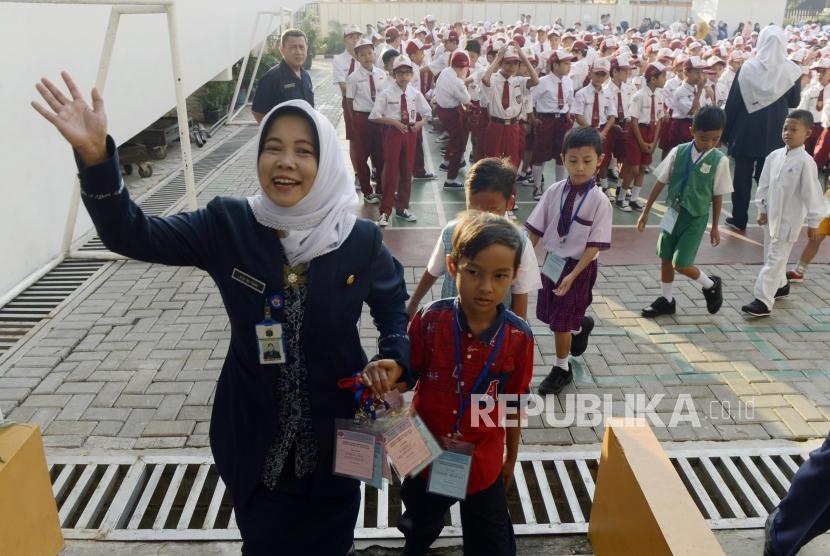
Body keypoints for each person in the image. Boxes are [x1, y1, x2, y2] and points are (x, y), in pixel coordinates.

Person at [33, 74, 410, 554]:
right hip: (253, 436)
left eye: (304, 151)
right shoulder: (228, 224)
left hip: (339, 436)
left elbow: (392, 310)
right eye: (273, 147)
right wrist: (96, 160)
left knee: (331, 545)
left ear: (326, 161)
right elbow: (132, 234)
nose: (286, 162)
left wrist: (395, 358)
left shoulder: (360, 240)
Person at [400, 210, 534, 556]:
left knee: (490, 542)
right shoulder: (431, 320)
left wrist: (511, 457)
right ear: (453, 266)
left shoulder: (519, 338)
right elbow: (406, 375)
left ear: (514, 277)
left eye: (500, 276)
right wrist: (382, 375)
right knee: (419, 523)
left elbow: (514, 404)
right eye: (474, 272)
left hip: (482, 461)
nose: (486, 287)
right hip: (424, 454)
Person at [525, 127, 612, 395]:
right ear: (563, 159)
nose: (580, 168)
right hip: (553, 261)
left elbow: (594, 246)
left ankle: (561, 368)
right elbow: (535, 230)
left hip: (579, 267)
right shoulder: (553, 191)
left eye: (587, 161)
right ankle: (580, 326)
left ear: (600, 160)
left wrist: (573, 276)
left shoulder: (600, 201)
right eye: (573, 161)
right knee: (551, 314)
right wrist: (520, 260)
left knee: (560, 321)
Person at [407, 157, 542, 320]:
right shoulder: (451, 232)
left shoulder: (520, 242)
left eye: (492, 210)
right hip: (451, 324)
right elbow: (433, 270)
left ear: (510, 203)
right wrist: (413, 303)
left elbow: (520, 295)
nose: (482, 218)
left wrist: (518, 335)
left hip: (495, 332)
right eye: (474, 209)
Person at [637, 106, 730, 318]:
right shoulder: (678, 152)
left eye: (715, 139)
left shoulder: (719, 160)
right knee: (665, 257)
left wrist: (715, 226)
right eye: (704, 138)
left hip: (695, 218)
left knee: (681, 264)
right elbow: (660, 181)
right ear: (692, 131)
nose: (709, 144)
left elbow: (718, 195)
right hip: (672, 213)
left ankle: (710, 284)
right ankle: (666, 300)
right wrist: (646, 212)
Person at [741, 110, 825, 317]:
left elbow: (812, 195)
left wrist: (814, 223)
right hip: (771, 219)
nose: (788, 133)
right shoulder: (774, 156)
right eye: (785, 128)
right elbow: (764, 184)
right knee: (773, 257)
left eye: (794, 129)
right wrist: (761, 208)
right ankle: (780, 285)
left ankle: (762, 300)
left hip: (788, 222)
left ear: (807, 133)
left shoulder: (806, 162)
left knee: (774, 260)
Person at [723, 25, 802, 232]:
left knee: (742, 177)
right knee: (772, 176)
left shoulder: (747, 68)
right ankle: (773, 216)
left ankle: (739, 218)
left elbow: (733, 104)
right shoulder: (791, 70)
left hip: (745, 131)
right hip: (776, 132)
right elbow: (795, 100)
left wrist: (725, 134)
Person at [369, 55, 432, 226]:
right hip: (393, 134)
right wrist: (394, 122)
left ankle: (402, 208)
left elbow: (427, 113)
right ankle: (385, 211)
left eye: (407, 73)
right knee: (390, 171)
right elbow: (374, 116)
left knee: (406, 171)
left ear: (411, 74)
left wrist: (419, 124)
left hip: (410, 134)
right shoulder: (387, 93)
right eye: (399, 73)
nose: (403, 76)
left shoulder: (414, 93)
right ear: (393, 74)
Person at [481, 44, 540, 171]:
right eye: (507, 63)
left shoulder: (518, 81)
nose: (511, 67)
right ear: (501, 63)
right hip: (496, 125)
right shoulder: (494, 79)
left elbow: (535, 81)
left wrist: (524, 57)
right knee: (493, 161)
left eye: (515, 63)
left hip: (513, 126)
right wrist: (498, 57)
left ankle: (509, 190)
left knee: (512, 162)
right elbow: (485, 79)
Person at [617, 61, 667, 212]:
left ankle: (634, 199)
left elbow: (659, 120)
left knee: (643, 167)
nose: (666, 79)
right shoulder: (638, 96)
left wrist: (653, 141)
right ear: (653, 79)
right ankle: (621, 198)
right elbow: (634, 120)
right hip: (637, 133)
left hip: (650, 133)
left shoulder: (659, 96)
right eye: (663, 76)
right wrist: (641, 141)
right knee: (633, 168)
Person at [530, 49, 576, 200]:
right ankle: (537, 187)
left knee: (560, 155)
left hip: (562, 120)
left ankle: (560, 187)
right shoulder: (543, 82)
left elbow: (570, 100)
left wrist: (569, 116)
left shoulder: (569, 81)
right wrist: (532, 118)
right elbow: (530, 100)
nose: (569, 66)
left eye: (570, 63)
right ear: (555, 65)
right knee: (540, 155)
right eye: (566, 63)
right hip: (546, 120)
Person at [345, 38, 387, 204]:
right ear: (357, 58)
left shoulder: (382, 75)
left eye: (369, 53)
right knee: (362, 157)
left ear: (374, 54)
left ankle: (381, 189)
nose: (367, 57)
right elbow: (349, 100)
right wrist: (355, 118)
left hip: (378, 119)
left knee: (381, 156)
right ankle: (367, 191)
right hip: (362, 119)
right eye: (362, 54)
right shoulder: (353, 78)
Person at [571, 58, 617, 196]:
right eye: (597, 74)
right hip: (586, 130)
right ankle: (582, 186)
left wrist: (603, 132)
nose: (599, 78)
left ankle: (602, 187)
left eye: (603, 75)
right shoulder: (582, 93)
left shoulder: (608, 94)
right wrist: (593, 132)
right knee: (585, 160)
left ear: (607, 76)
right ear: (590, 73)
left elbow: (612, 116)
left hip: (602, 131)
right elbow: (578, 115)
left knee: (602, 160)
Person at [252, 29, 314, 123]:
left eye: (301, 47)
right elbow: (258, 112)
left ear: (307, 48)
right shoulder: (271, 78)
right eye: (293, 47)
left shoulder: (306, 76)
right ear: (282, 50)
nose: (298, 52)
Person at [434, 51, 472, 189]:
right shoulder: (457, 82)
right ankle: (451, 179)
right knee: (459, 144)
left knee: (453, 139)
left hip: (442, 109)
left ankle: (446, 161)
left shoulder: (446, 71)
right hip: (451, 113)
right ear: (464, 68)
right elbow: (467, 100)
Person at [333, 25, 363, 141]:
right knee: (354, 138)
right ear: (344, 39)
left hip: (367, 102)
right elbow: (344, 87)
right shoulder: (338, 60)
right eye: (351, 37)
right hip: (350, 102)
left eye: (357, 37)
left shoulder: (365, 57)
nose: (355, 40)